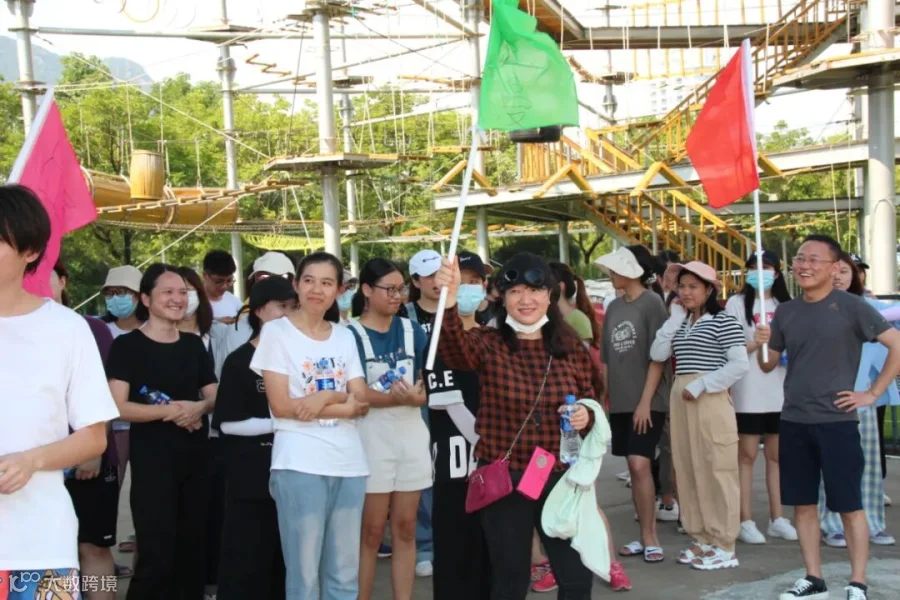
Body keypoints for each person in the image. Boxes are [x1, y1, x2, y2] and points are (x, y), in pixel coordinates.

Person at [432, 251, 597, 600]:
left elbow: (590, 399)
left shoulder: (570, 347)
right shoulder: (487, 342)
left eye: (534, 291)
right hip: (504, 479)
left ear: (549, 296)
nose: (526, 300)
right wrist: (449, 301)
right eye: (515, 291)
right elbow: (453, 349)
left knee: (577, 577)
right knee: (510, 580)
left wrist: (586, 414)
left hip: (560, 477)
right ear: (502, 297)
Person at [754, 235, 900, 600]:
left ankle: (858, 582)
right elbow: (768, 364)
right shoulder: (786, 312)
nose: (804, 266)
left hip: (838, 422)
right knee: (803, 504)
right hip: (794, 420)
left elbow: (896, 344)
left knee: (849, 505)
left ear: (835, 268)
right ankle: (813, 579)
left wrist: (872, 393)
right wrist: (761, 342)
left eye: (813, 260)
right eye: (800, 258)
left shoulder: (851, 307)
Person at [0, 185, 118, 596]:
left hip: (39, 545)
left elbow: (93, 437)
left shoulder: (67, 329)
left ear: (30, 251)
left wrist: (31, 461)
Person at [252, 252, 371, 599]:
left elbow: (362, 401)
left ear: (339, 290)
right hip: (299, 464)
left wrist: (323, 397)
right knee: (304, 578)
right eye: (309, 281)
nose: (316, 290)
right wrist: (341, 402)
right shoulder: (276, 332)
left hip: (349, 464)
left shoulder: (344, 336)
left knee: (344, 576)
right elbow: (281, 406)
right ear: (296, 285)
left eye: (326, 283)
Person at [107, 263, 218, 600]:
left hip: (196, 461)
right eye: (167, 292)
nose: (177, 299)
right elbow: (118, 406)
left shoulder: (193, 345)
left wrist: (198, 407)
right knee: (156, 556)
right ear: (146, 298)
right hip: (153, 464)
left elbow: (214, 394)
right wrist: (169, 412)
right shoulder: (127, 346)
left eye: (183, 292)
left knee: (192, 553)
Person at [650, 261, 748, 571]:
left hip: (710, 398)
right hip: (682, 397)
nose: (686, 292)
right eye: (682, 286)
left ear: (709, 290)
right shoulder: (680, 322)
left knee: (717, 469)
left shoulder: (724, 321)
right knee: (687, 467)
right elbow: (657, 354)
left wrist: (704, 384)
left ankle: (725, 544)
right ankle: (702, 536)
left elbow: (739, 364)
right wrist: (674, 320)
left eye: (694, 286)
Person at [348, 258, 430, 600]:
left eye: (401, 289)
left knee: (406, 528)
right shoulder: (349, 334)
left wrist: (418, 397)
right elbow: (355, 394)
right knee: (370, 532)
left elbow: (428, 385)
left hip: (411, 437)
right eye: (390, 289)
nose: (398, 296)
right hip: (370, 438)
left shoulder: (414, 331)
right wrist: (399, 399)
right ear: (367, 290)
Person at [213, 276, 296, 600]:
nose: (288, 314)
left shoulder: (297, 359)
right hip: (249, 477)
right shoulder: (238, 362)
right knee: (248, 559)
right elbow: (229, 424)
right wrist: (282, 420)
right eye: (282, 306)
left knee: (284, 560)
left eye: (294, 307)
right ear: (259, 311)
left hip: (291, 472)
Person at [596, 246, 671, 563]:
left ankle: (650, 536)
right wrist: (602, 400)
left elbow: (658, 357)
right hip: (621, 402)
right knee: (633, 466)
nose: (611, 275)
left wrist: (645, 403)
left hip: (648, 402)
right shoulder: (613, 306)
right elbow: (606, 360)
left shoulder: (652, 303)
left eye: (616, 270)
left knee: (640, 464)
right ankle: (643, 535)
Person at [52, 262, 122, 599]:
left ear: (63, 281)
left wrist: (94, 450)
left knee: (93, 547)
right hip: (35, 463)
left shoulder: (92, 329)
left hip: (90, 459)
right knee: (52, 552)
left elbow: (104, 392)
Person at [816, 252, 895, 548]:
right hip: (825, 399)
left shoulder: (868, 307)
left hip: (861, 397)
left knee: (868, 464)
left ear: (855, 276)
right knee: (830, 465)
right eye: (834, 270)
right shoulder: (813, 307)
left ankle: (873, 522)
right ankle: (832, 524)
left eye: (845, 272)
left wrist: (872, 393)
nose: (838, 277)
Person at [426, 251, 492, 600]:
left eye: (474, 282)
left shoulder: (495, 338)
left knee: (490, 554)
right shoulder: (436, 340)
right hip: (453, 467)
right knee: (454, 553)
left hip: (492, 469)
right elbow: (447, 400)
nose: (467, 288)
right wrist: (488, 439)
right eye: (459, 282)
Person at [723, 252, 798, 545]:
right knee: (746, 456)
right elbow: (729, 346)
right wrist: (756, 343)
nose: (759, 272)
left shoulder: (787, 306)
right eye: (753, 267)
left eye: (765, 267)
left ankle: (778, 518)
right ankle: (745, 519)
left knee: (777, 457)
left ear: (776, 272)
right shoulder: (736, 303)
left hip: (780, 391)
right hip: (748, 392)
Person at [406, 248, 445, 578]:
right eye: (429, 275)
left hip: (457, 400)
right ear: (416, 281)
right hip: (418, 404)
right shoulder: (405, 317)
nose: (436, 281)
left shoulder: (457, 309)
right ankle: (426, 545)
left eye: (440, 273)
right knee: (423, 473)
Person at [211, 251, 296, 379]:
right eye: (263, 277)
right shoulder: (237, 332)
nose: (271, 284)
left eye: (282, 277)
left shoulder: (304, 331)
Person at [100, 265, 145, 501]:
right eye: (110, 293)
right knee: (108, 492)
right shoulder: (100, 331)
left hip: (147, 424)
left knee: (148, 492)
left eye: (122, 292)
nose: (115, 298)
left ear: (139, 296)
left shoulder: (153, 331)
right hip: (111, 427)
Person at [176, 267, 214, 349]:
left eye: (186, 290)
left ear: (199, 292)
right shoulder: (160, 335)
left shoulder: (217, 333)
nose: (179, 298)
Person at [203, 250, 243, 324]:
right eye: (219, 281)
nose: (224, 286)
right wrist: (215, 322)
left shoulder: (234, 301)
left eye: (229, 281)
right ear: (205, 276)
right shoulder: (194, 302)